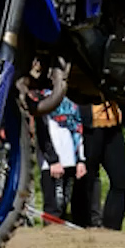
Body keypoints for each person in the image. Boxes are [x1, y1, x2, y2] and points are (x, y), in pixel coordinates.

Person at [73, 99, 125, 230]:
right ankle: (81, 225)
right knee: (86, 177)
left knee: (121, 179)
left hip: (113, 123)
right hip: (89, 124)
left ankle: (111, 228)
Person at [37, 84, 86, 220]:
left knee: (63, 206)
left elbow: (78, 128)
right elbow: (42, 133)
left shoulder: (72, 99)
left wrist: (80, 160)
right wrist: (53, 160)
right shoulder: (42, 99)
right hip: (51, 164)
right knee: (53, 209)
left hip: (70, 159)